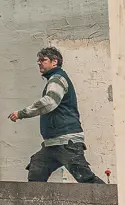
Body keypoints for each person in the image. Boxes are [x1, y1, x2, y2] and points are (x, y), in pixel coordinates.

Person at [8, 46, 101, 184]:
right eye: (38, 60)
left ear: (54, 62)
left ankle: (114, 203)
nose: (39, 63)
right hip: (52, 143)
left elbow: (49, 103)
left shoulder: (57, 79)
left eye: (43, 60)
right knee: (36, 169)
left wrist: (21, 113)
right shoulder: (54, 79)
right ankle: (35, 204)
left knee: (85, 178)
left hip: (66, 142)